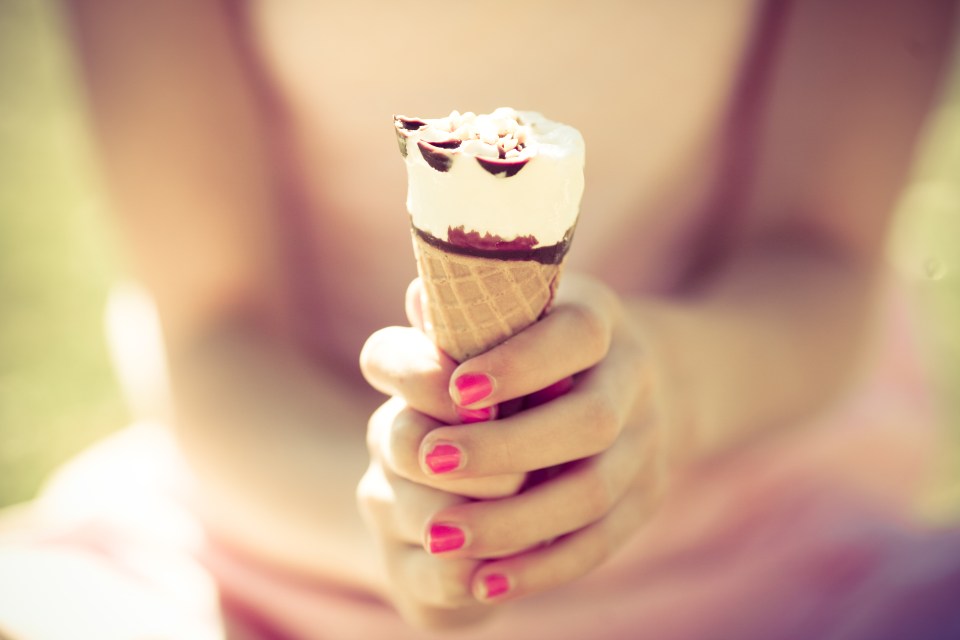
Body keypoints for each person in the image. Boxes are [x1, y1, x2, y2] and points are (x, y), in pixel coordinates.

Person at [1, 0, 958, 638]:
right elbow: (216, 330)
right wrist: (401, 527)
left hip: (766, 551)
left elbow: (821, 256)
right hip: (275, 546)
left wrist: (668, 393)